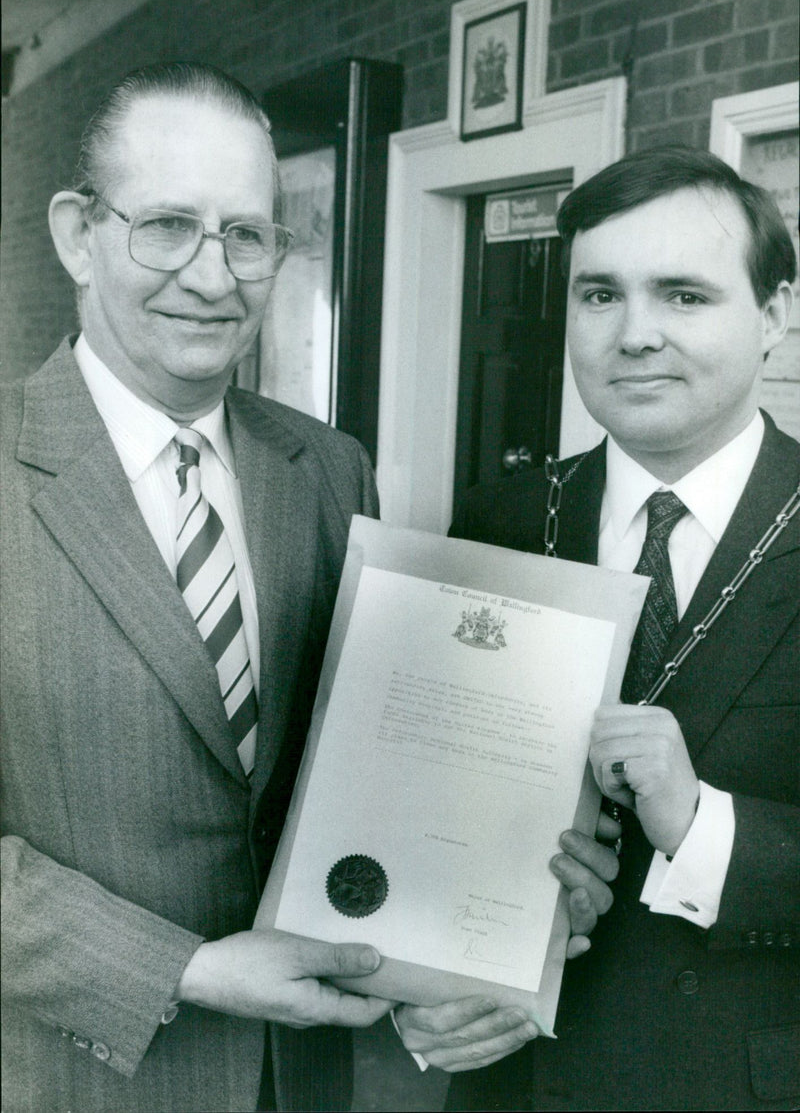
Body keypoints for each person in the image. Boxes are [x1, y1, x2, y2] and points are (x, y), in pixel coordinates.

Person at [0, 62, 612, 1112]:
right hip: (75, 1078)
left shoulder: (327, 471)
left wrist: (514, 904)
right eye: (167, 226)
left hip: (310, 1079)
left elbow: (385, 764)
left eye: (247, 235)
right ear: (75, 234)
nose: (212, 274)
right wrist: (186, 971)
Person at [418, 146, 799, 1110]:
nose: (634, 335)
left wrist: (704, 830)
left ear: (775, 316)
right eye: (599, 295)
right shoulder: (500, 518)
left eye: (683, 295)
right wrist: (414, 991)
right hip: (517, 1084)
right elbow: (427, 804)